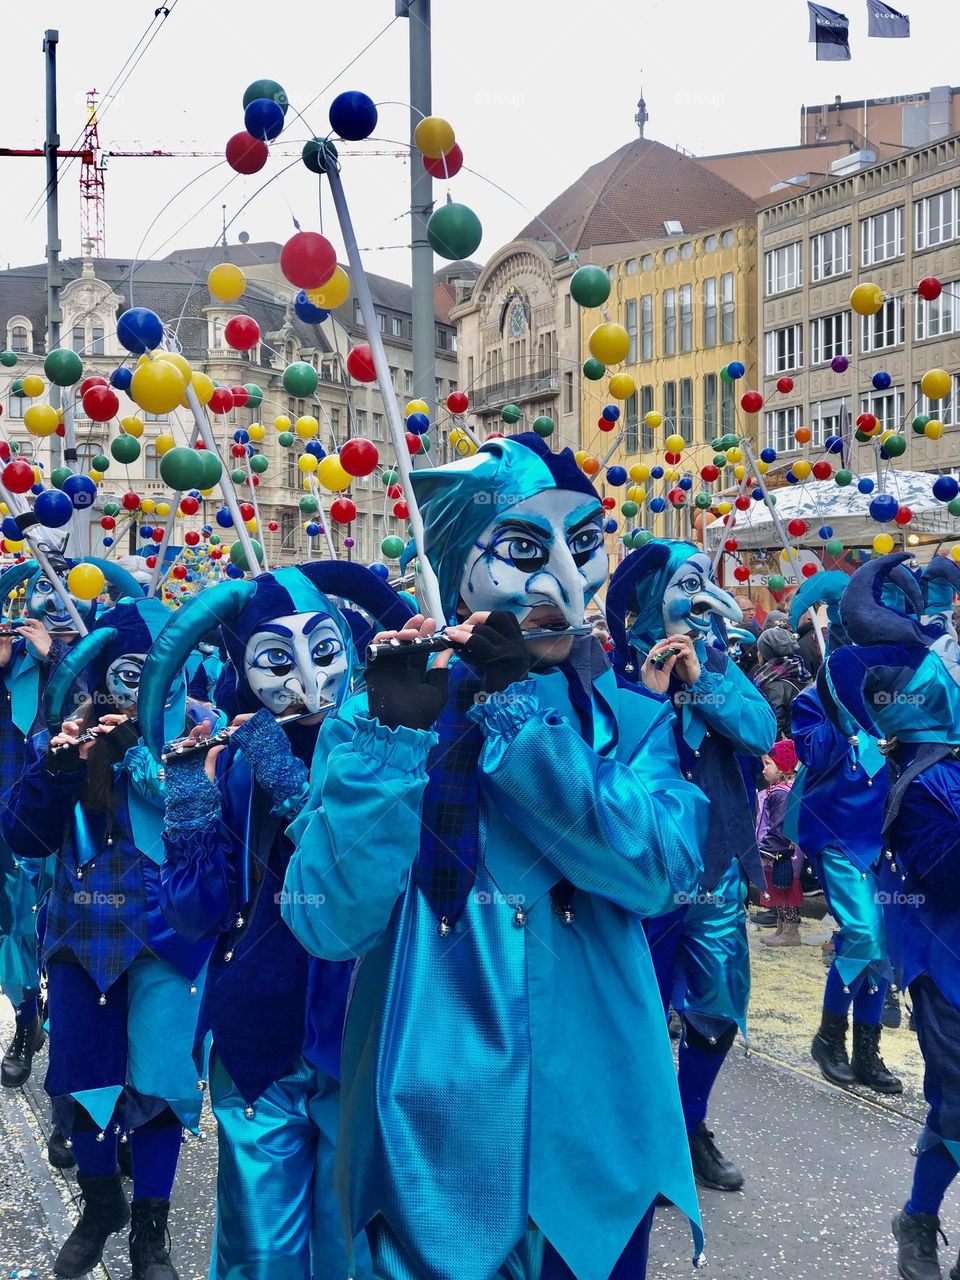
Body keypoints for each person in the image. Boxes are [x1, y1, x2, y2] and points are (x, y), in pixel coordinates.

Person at [283, 434, 710, 1279]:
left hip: (593, 1145)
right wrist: (385, 753)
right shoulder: (378, 723)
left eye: (583, 545)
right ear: (455, 566)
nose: (564, 580)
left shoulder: (629, 719)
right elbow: (324, 921)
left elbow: (661, 871)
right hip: (425, 1141)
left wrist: (522, 722)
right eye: (522, 550)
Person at [144, 564, 404, 1280]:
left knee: (355, 1245)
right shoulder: (232, 758)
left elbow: (362, 871)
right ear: (242, 667)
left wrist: (293, 786)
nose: (307, 682)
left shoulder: (392, 748)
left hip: (369, 1031)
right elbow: (194, 916)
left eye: (322, 652)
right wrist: (193, 793)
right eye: (275, 661)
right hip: (261, 1041)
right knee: (260, 1254)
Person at [1, 597, 212, 1280]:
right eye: (127, 671)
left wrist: (152, 757)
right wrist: (64, 764)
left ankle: (150, 1228)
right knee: (85, 1078)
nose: (141, 685)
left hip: (170, 936)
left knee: (161, 1080)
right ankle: (101, 1206)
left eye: (154, 670)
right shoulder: (66, 731)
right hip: (81, 936)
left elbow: (208, 836)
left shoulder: (204, 731)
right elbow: (25, 836)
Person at [607, 540, 776, 1193]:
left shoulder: (717, 660)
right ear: (652, 596)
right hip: (639, 870)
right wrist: (651, 689)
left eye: (705, 582)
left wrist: (701, 679)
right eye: (686, 584)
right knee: (634, 1008)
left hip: (714, 864)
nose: (701, 597)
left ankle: (686, 1125)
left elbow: (760, 732)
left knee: (718, 1004)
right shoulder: (609, 668)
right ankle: (631, 1137)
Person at [826, 553, 960, 1280]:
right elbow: (946, 867)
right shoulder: (926, 779)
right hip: (944, 954)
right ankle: (920, 1217)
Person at [788, 573, 902, 1096]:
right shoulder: (812, 699)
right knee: (863, 934)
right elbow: (813, 756)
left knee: (880, 940)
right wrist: (840, 712)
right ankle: (830, 1039)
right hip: (836, 833)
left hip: (884, 835)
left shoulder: (890, 696)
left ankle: (865, 1049)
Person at [755, 739, 802, 946]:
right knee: (779, 887)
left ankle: (791, 932)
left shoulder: (782, 794)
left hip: (782, 852)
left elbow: (780, 827)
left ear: (782, 767)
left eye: (767, 763)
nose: (763, 769)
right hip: (776, 850)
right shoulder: (777, 791)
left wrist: (765, 849)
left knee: (785, 887)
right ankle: (782, 927)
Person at [753, 626, 810, 737]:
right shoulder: (799, 670)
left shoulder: (772, 686)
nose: (757, 654)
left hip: (791, 747)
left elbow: (774, 728)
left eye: (759, 650)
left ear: (766, 654)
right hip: (802, 739)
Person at [732, 594, 760, 675]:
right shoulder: (728, 630)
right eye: (747, 610)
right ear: (736, 610)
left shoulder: (755, 627)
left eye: (752, 609)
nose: (751, 613)